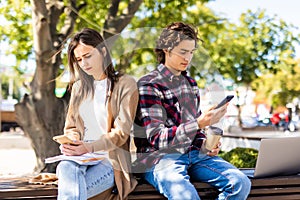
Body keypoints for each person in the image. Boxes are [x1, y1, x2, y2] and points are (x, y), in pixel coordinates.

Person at [133, 22, 251, 200]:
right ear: (166, 49)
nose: (188, 58)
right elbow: (157, 138)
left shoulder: (191, 84)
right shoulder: (149, 84)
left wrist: (207, 144)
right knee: (185, 196)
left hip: (194, 154)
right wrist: (199, 123)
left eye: (191, 52)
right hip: (159, 159)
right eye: (182, 51)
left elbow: (196, 131)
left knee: (240, 183)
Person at [56, 28, 138, 200]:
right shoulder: (79, 88)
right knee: (64, 167)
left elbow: (121, 133)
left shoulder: (125, 84)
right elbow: (71, 127)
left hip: (109, 161)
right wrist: (71, 142)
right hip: (80, 158)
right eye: (79, 59)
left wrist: (90, 147)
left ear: (102, 50)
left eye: (88, 56)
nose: (84, 63)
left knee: (73, 191)